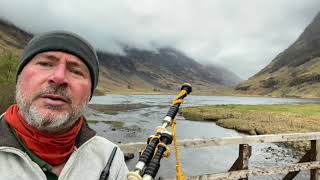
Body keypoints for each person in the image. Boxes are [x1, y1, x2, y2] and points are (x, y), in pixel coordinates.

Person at [0, 31, 128, 180]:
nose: (59, 78)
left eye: (76, 71)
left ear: (89, 94)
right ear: (19, 78)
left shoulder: (110, 157)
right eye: (45, 64)